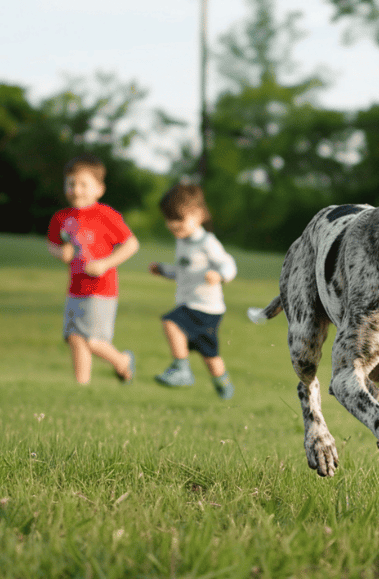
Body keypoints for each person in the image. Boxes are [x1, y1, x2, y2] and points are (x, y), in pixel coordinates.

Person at [47, 154, 139, 385]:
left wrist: (105, 264)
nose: (76, 190)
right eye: (71, 184)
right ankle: (82, 386)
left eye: (83, 185)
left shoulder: (106, 215)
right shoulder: (61, 218)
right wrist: (61, 253)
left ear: (99, 189)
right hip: (75, 289)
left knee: (92, 340)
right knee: (75, 338)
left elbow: (131, 244)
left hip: (101, 289)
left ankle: (122, 361)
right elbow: (52, 244)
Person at [149, 183, 237, 397]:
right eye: (169, 219)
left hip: (205, 307)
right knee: (209, 354)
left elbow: (229, 264)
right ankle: (224, 387)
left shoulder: (208, 242)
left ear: (197, 215)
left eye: (178, 219)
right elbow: (183, 271)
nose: (172, 224)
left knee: (170, 322)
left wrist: (220, 276)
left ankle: (181, 370)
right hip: (193, 305)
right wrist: (164, 271)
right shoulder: (183, 242)